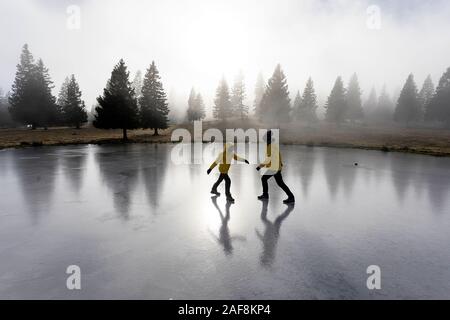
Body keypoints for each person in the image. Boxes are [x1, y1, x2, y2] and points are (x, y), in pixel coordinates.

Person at [256, 130, 295, 203]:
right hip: (275, 167)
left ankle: (266, 195)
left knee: (264, 179)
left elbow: (269, 159)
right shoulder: (270, 145)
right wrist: (280, 164)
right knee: (280, 183)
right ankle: (291, 197)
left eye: (265, 139)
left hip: (275, 168)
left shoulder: (271, 146)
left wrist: (260, 166)